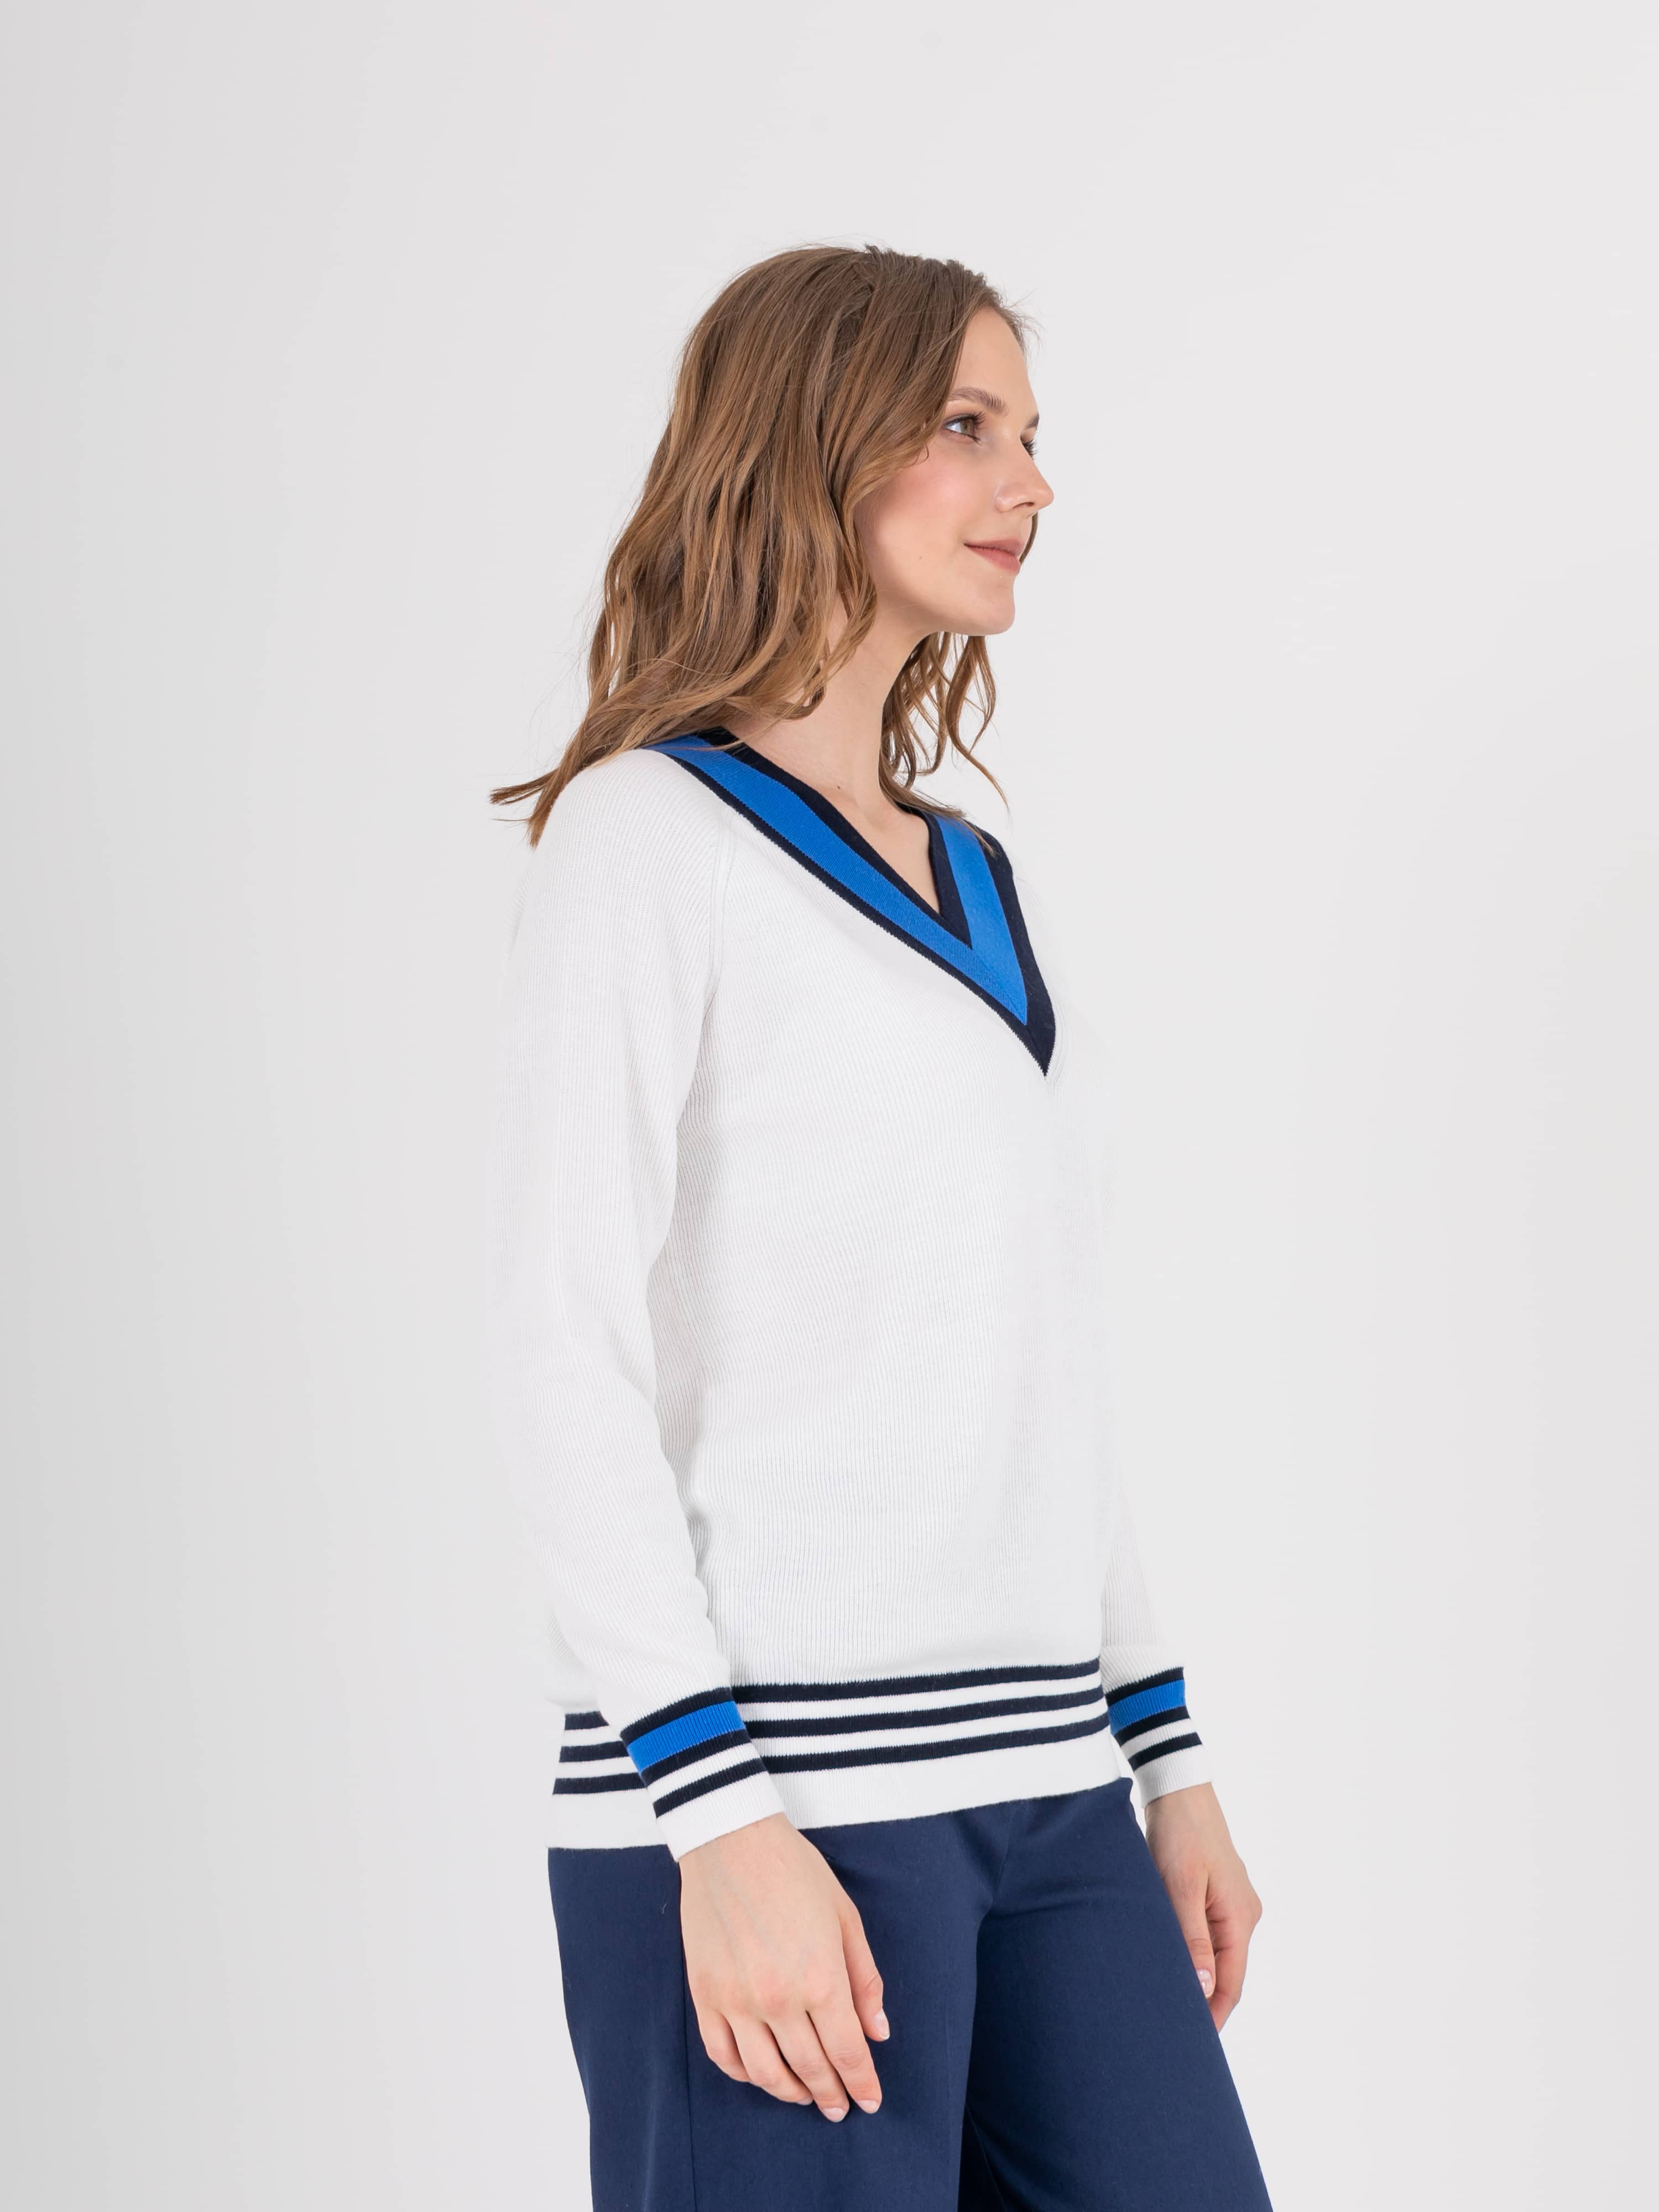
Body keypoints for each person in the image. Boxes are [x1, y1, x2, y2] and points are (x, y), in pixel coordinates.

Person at [486, 243, 1274, 2212]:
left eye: (1031, 433)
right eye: (969, 427)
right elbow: (561, 1346)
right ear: (816, 446)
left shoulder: (982, 875)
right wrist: (715, 1820)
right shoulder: (647, 841)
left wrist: (1164, 1761)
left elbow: (1037, 1355)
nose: (1031, 482)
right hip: (784, 1803)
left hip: (1053, 1796)